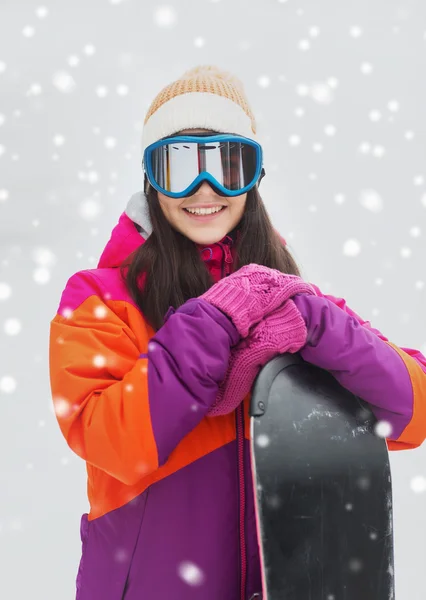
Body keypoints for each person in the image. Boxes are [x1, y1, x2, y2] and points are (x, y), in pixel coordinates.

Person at [49, 65, 426, 600]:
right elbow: (113, 440)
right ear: (151, 180)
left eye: (228, 164)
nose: (205, 188)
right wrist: (214, 321)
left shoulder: (289, 301)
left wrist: (320, 326)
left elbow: (416, 408)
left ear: (253, 177)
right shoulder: (99, 297)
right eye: (179, 166)